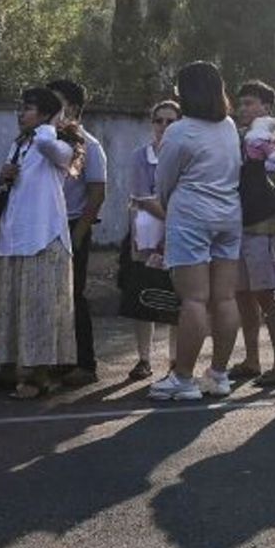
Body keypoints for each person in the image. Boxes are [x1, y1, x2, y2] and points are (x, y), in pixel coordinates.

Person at [148, 62, 243, 401]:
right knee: (225, 298)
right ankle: (219, 375)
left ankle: (183, 378)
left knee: (194, 299)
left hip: (191, 215)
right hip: (229, 215)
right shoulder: (229, 126)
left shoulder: (180, 130)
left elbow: (164, 181)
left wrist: (169, 205)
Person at [0, 87, 81, 399]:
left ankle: (39, 377)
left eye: (29, 108)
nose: (21, 113)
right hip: (13, 235)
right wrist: (3, 175)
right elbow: (11, 186)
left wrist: (51, 124)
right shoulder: (19, 143)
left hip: (43, 237)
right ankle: (8, 371)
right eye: (21, 107)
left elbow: (60, 154)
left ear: (46, 114)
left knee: (40, 309)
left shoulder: (55, 141)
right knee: (8, 306)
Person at [228, 80, 275, 388]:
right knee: (243, 295)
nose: (243, 109)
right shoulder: (240, 136)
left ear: (267, 108)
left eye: (250, 103)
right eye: (241, 104)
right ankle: (252, 359)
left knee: (266, 296)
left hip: (264, 226)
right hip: (239, 225)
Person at [48, 78, 107, 387]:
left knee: (74, 295)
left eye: (53, 101)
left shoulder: (89, 145)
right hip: (44, 227)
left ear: (71, 107)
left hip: (72, 227)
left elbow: (97, 193)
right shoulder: (42, 141)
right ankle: (56, 361)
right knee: (47, 296)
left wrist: (80, 233)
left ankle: (85, 364)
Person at [124, 99, 179, 380]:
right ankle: (144, 359)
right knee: (143, 298)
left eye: (170, 121)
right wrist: (176, 216)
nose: (164, 126)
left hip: (179, 238)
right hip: (145, 238)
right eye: (159, 120)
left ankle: (175, 360)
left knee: (176, 298)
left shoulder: (185, 155)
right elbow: (141, 197)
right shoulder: (139, 156)